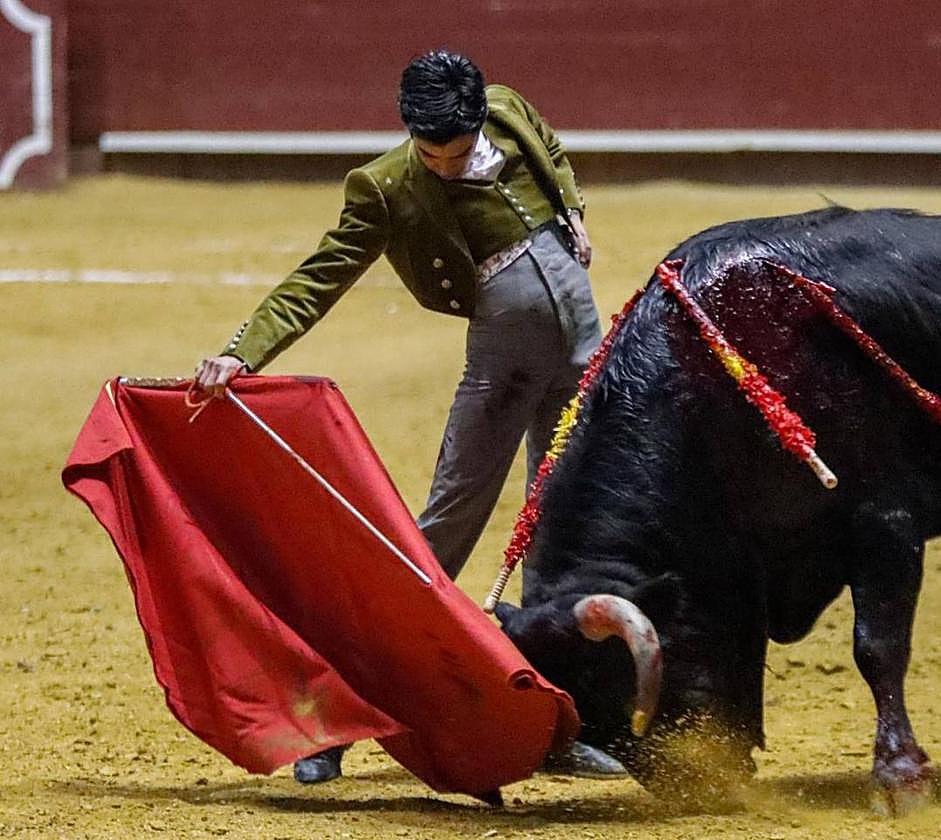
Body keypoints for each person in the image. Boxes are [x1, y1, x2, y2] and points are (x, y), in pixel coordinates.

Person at [195, 50, 623, 784]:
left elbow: (551, 149)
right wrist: (244, 353)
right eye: (431, 155)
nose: (445, 167)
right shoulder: (386, 186)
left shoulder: (511, 111)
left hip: (583, 361)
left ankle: (558, 724)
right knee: (438, 538)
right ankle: (337, 716)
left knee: (565, 536)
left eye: (455, 154)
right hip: (502, 369)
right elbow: (320, 275)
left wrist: (574, 209)